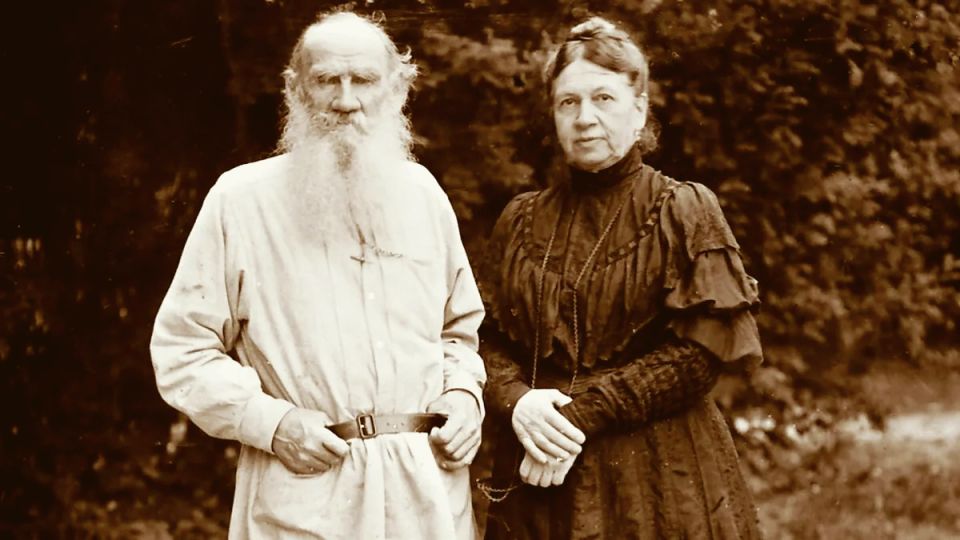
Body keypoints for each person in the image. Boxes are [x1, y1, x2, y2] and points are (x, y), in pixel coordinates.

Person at [150, 11, 486, 539]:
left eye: (364, 80)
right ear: (295, 90)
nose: (345, 101)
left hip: (426, 501)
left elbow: (458, 333)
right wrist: (273, 424)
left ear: (397, 89)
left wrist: (464, 395)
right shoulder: (241, 201)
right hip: (306, 501)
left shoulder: (423, 195)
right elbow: (182, 351)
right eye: (327, 80)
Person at [481, 17, 763, 539]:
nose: (585, 118)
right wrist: (517, 401)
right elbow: (483, 340)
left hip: (657, 482)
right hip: (536, 480)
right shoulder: (519, 220)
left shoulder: (682, 208)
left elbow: (698, 356)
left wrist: (576, 420)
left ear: (639, 110)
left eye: (604, 99)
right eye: (568, 102)